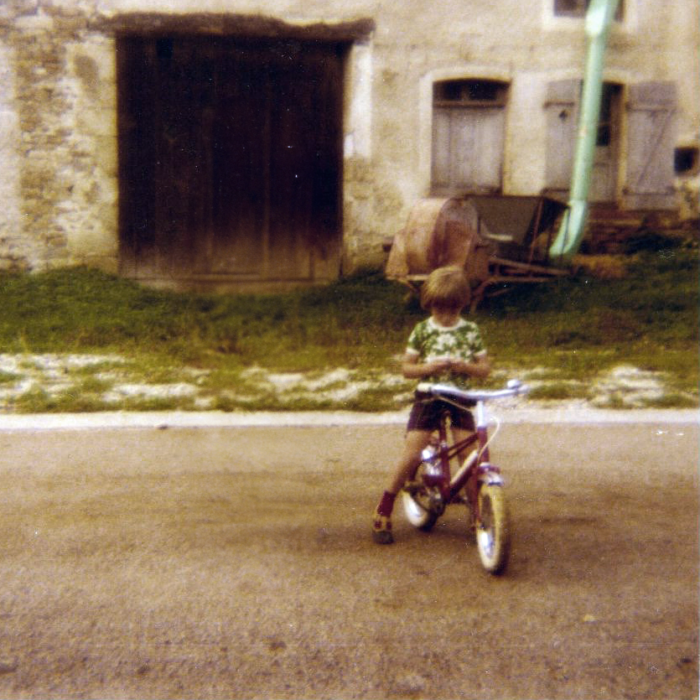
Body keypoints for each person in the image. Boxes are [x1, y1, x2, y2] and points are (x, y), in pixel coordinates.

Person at [371, 265, 491, 544]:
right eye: (439, 310)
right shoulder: (423, 330)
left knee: (470, 455)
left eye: (452, 310)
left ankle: (477, 514)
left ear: (463, 304)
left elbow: (484, 368)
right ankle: (384, 506)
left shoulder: (470, 331)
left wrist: (466, 366)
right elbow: (406, 369)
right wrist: (428, 367)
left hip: (460, 396)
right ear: (429, 305)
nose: (446, 316)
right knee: (414, 449)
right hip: (429, 394)